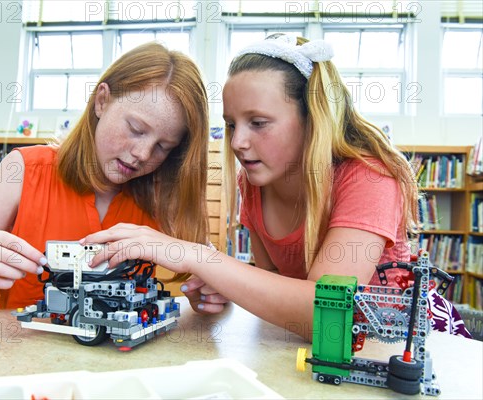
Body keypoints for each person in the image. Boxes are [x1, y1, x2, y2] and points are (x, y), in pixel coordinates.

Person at [82, 34, 422, 341]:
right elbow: (275, 286)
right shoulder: (255, 182)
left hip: (390, 345)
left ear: (313, 120)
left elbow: (328, 315)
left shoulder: (369, 178)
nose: (238, 142)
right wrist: (229, 286)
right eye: (231, 124)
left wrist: (202, 259)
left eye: (258, 123)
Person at [0, 42, 210, 313]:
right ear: (102, 101)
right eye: (135, 128)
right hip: (26, 364)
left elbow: (206, 278)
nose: (143, 154)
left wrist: (206, 291)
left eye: (163, 147)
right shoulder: (22, 171)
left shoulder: (163, 193)